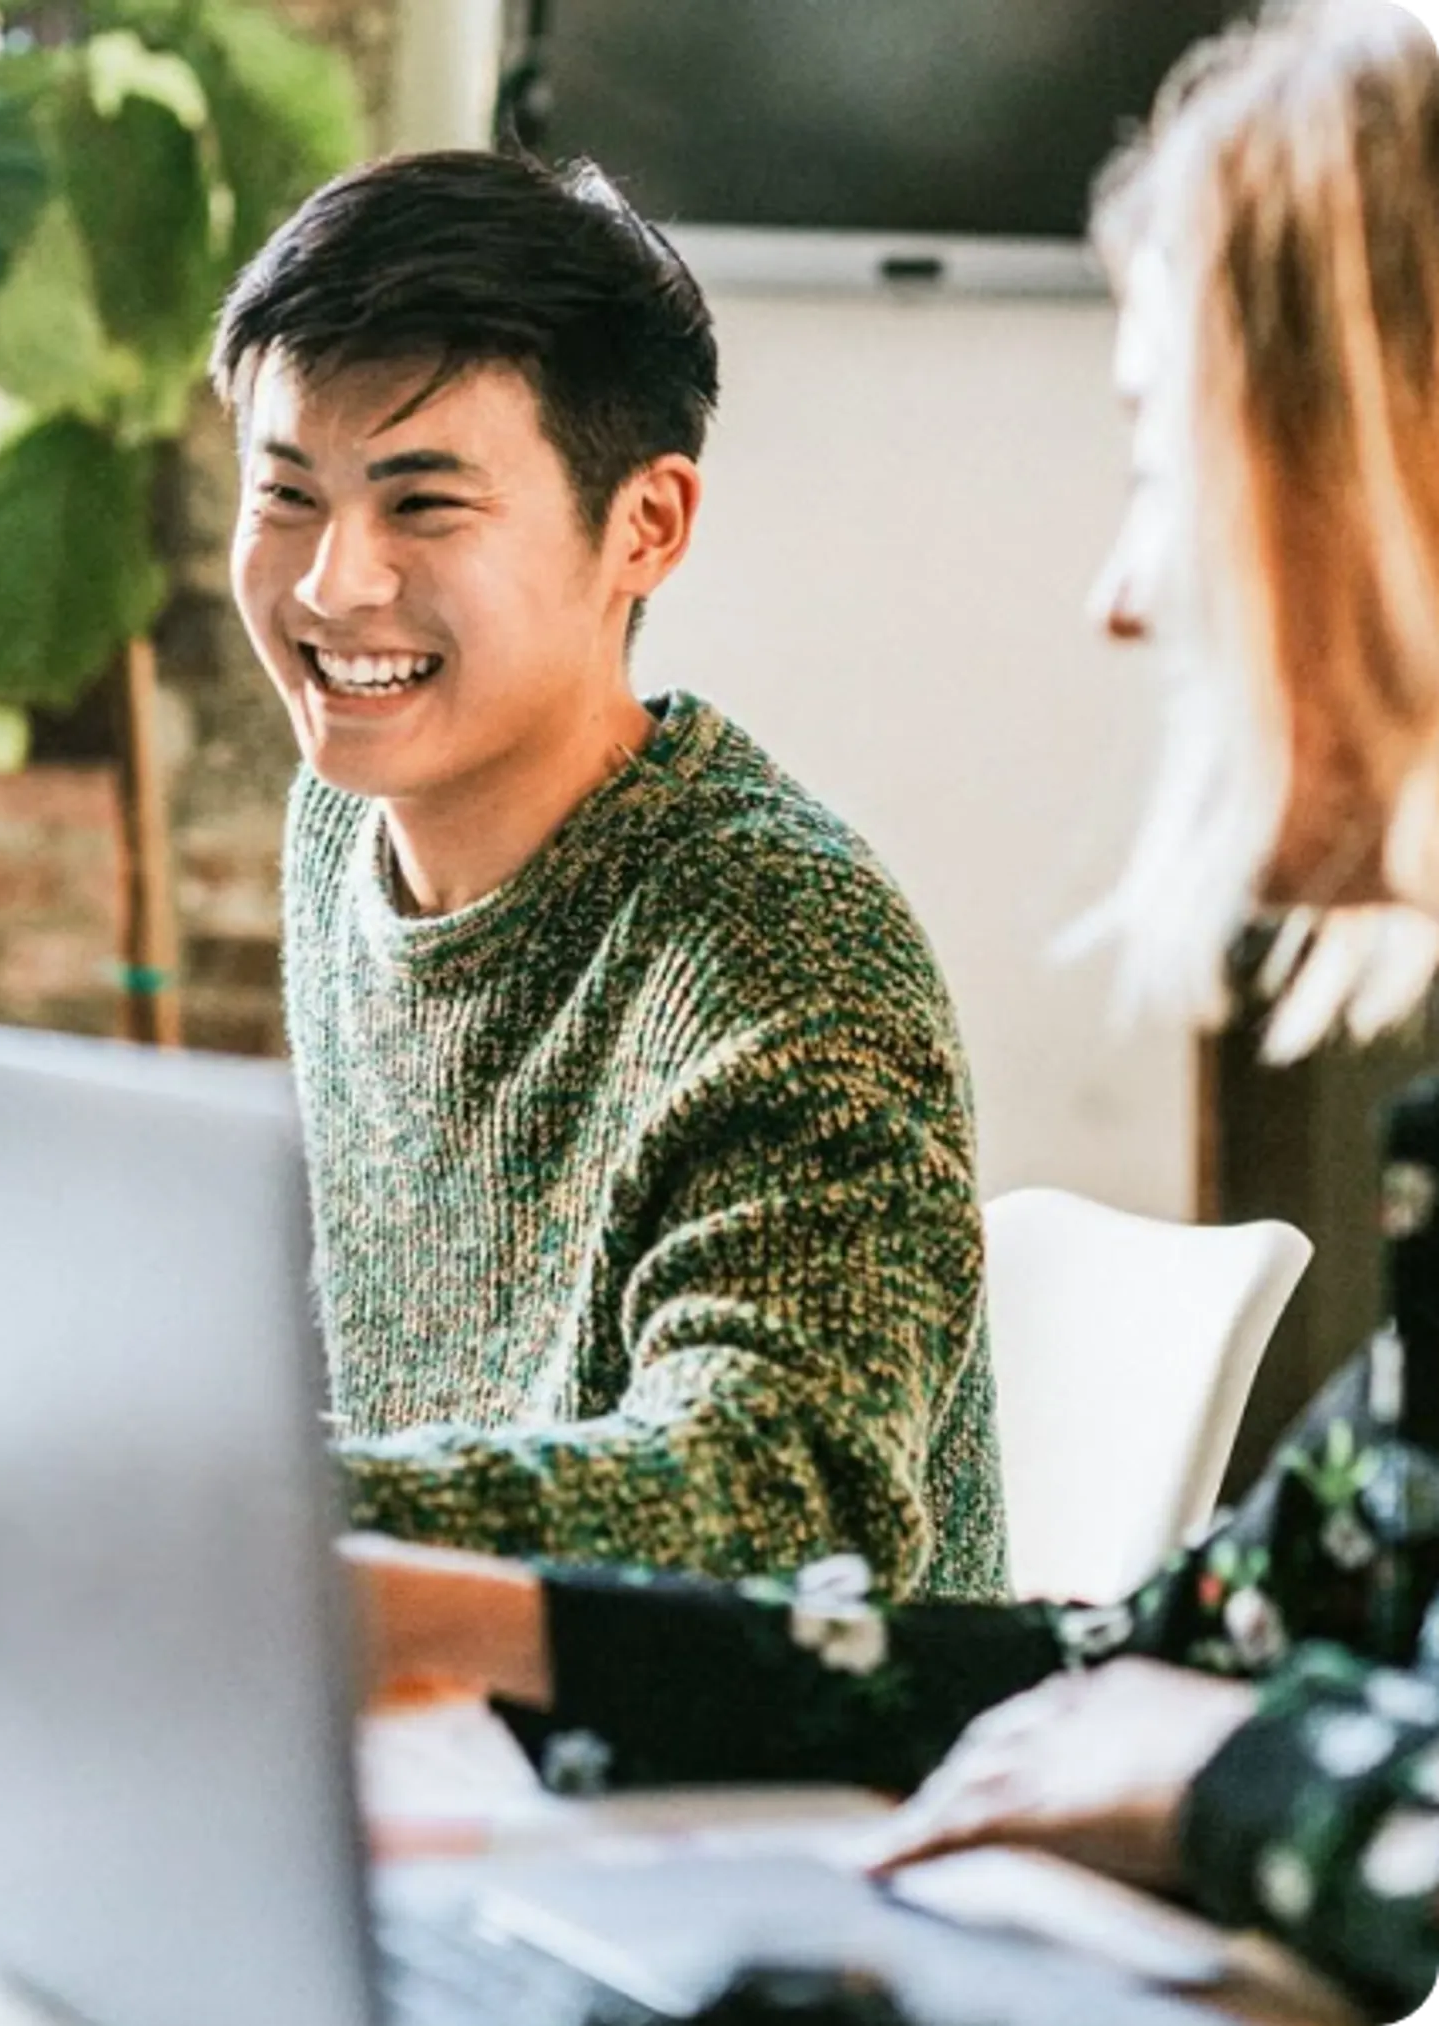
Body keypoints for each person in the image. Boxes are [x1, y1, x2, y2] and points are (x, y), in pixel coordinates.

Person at [343, 2, 1439, 2016]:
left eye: (1170, 466)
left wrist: (1225, 1771)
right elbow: (1140, 1670)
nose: (1125, 589)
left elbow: (1190, 1722)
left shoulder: (770, 926)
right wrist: (474, 1618)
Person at [210, 151, 1007, 1594]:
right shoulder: (342, 831)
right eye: (286, 495)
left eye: (422, 504)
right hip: (436, 1690)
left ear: (646, 526)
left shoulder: (782, 942)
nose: (332, 583)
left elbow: (774, 1501)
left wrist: (228, 1493)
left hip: (748, 1735)